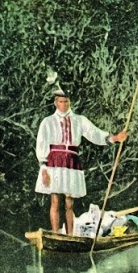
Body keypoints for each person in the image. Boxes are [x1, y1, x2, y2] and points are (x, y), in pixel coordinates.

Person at [35, 88, 127, 235]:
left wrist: (115, 138)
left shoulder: (79, 120)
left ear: (70, 102)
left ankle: (70, 235)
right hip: (54, 161)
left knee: (69, 202)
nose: (63, 105)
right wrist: (43, 167)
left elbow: (94, 133)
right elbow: (41, 143)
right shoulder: (48, 122)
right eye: (60, 102)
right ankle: (56, 233)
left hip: (71, 161)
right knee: (55, 200)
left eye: (66, 101)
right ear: (55, 103)